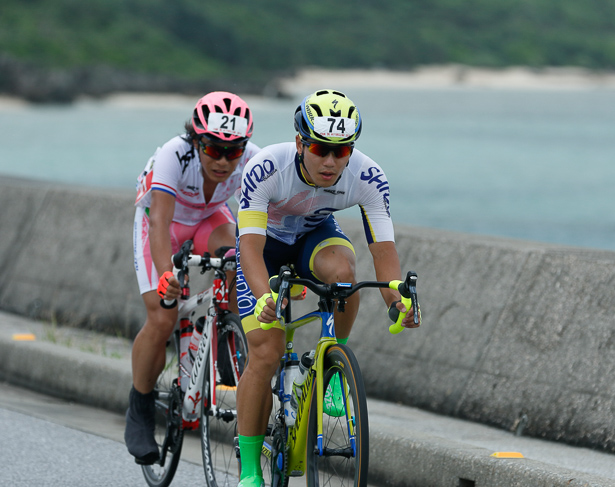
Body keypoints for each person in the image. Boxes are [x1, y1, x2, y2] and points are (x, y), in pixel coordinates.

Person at [233, 88, 421, 487]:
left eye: (343, 150)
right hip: (264, 248)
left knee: (344, 274)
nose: (332, 161)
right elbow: (249, 247)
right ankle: (250, 469)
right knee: (265, 353)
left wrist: (397, 299)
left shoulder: (368, 176)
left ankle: (332, 365)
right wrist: (264, 295)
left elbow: (383, 254)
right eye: (321, 148)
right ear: (301, 142)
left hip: (312, 237)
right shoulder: (266, 167)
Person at [126, 91, 260, 465]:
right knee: (162, 315)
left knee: (236, 257)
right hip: (161, 224)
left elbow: (266, 225)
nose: (222, 160)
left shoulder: (253, 161)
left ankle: (225, 339)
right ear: (196, 140)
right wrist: (168, 275)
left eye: (232, 152)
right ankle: (139, 406)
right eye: (212, 149)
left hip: (207, 219)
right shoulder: (174, 153)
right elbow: (159, 222)